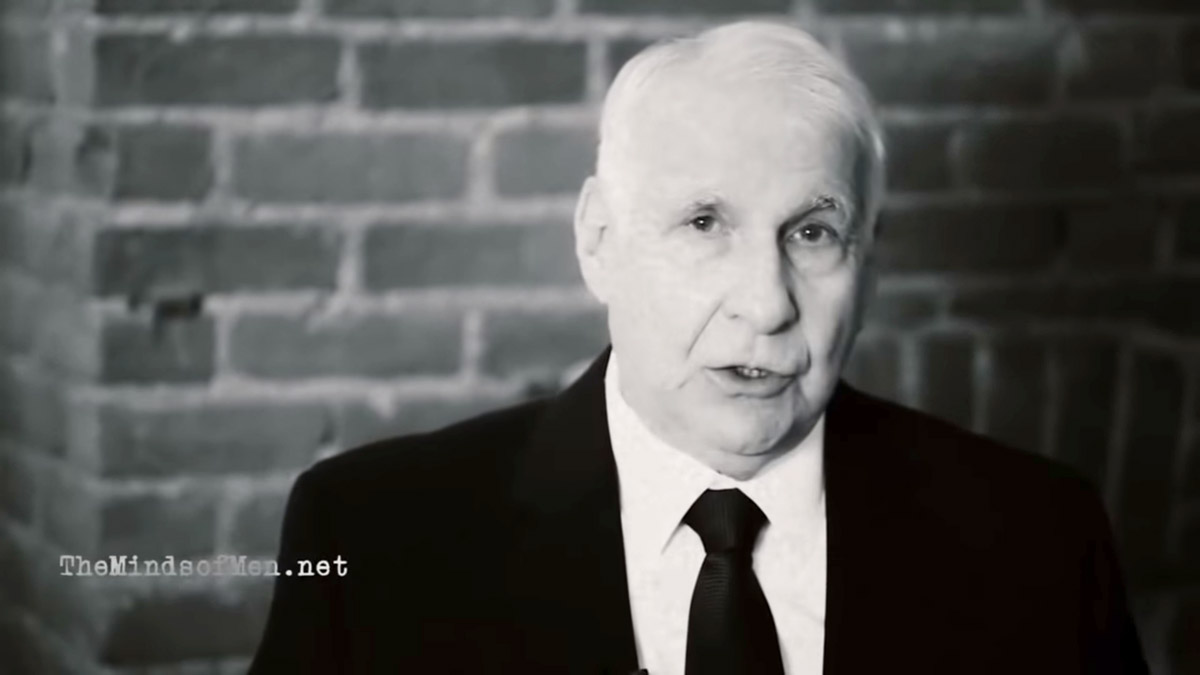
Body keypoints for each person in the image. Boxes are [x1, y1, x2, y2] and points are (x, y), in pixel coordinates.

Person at [248, 20, 1148, 675]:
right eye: (705, 223)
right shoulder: (369, 539)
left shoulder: (1041, 541)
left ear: (868, 265)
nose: (766, 304)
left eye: (813, 233)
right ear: (598, 240)